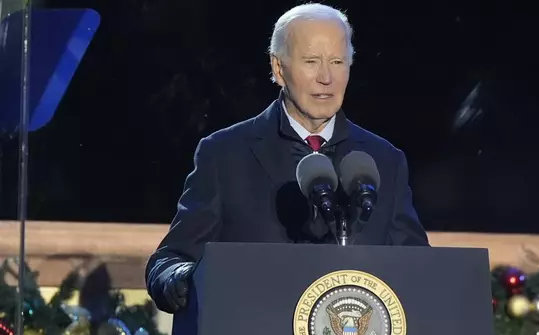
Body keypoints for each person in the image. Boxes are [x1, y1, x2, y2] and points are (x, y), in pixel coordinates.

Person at [145, 3, 429, 314]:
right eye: (311, 61)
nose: (326, 77)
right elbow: (170, 259)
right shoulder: (224, 154)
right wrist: (178, 277)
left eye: (337, 61)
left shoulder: (385, 160)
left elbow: (420, 269)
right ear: (279, 69)